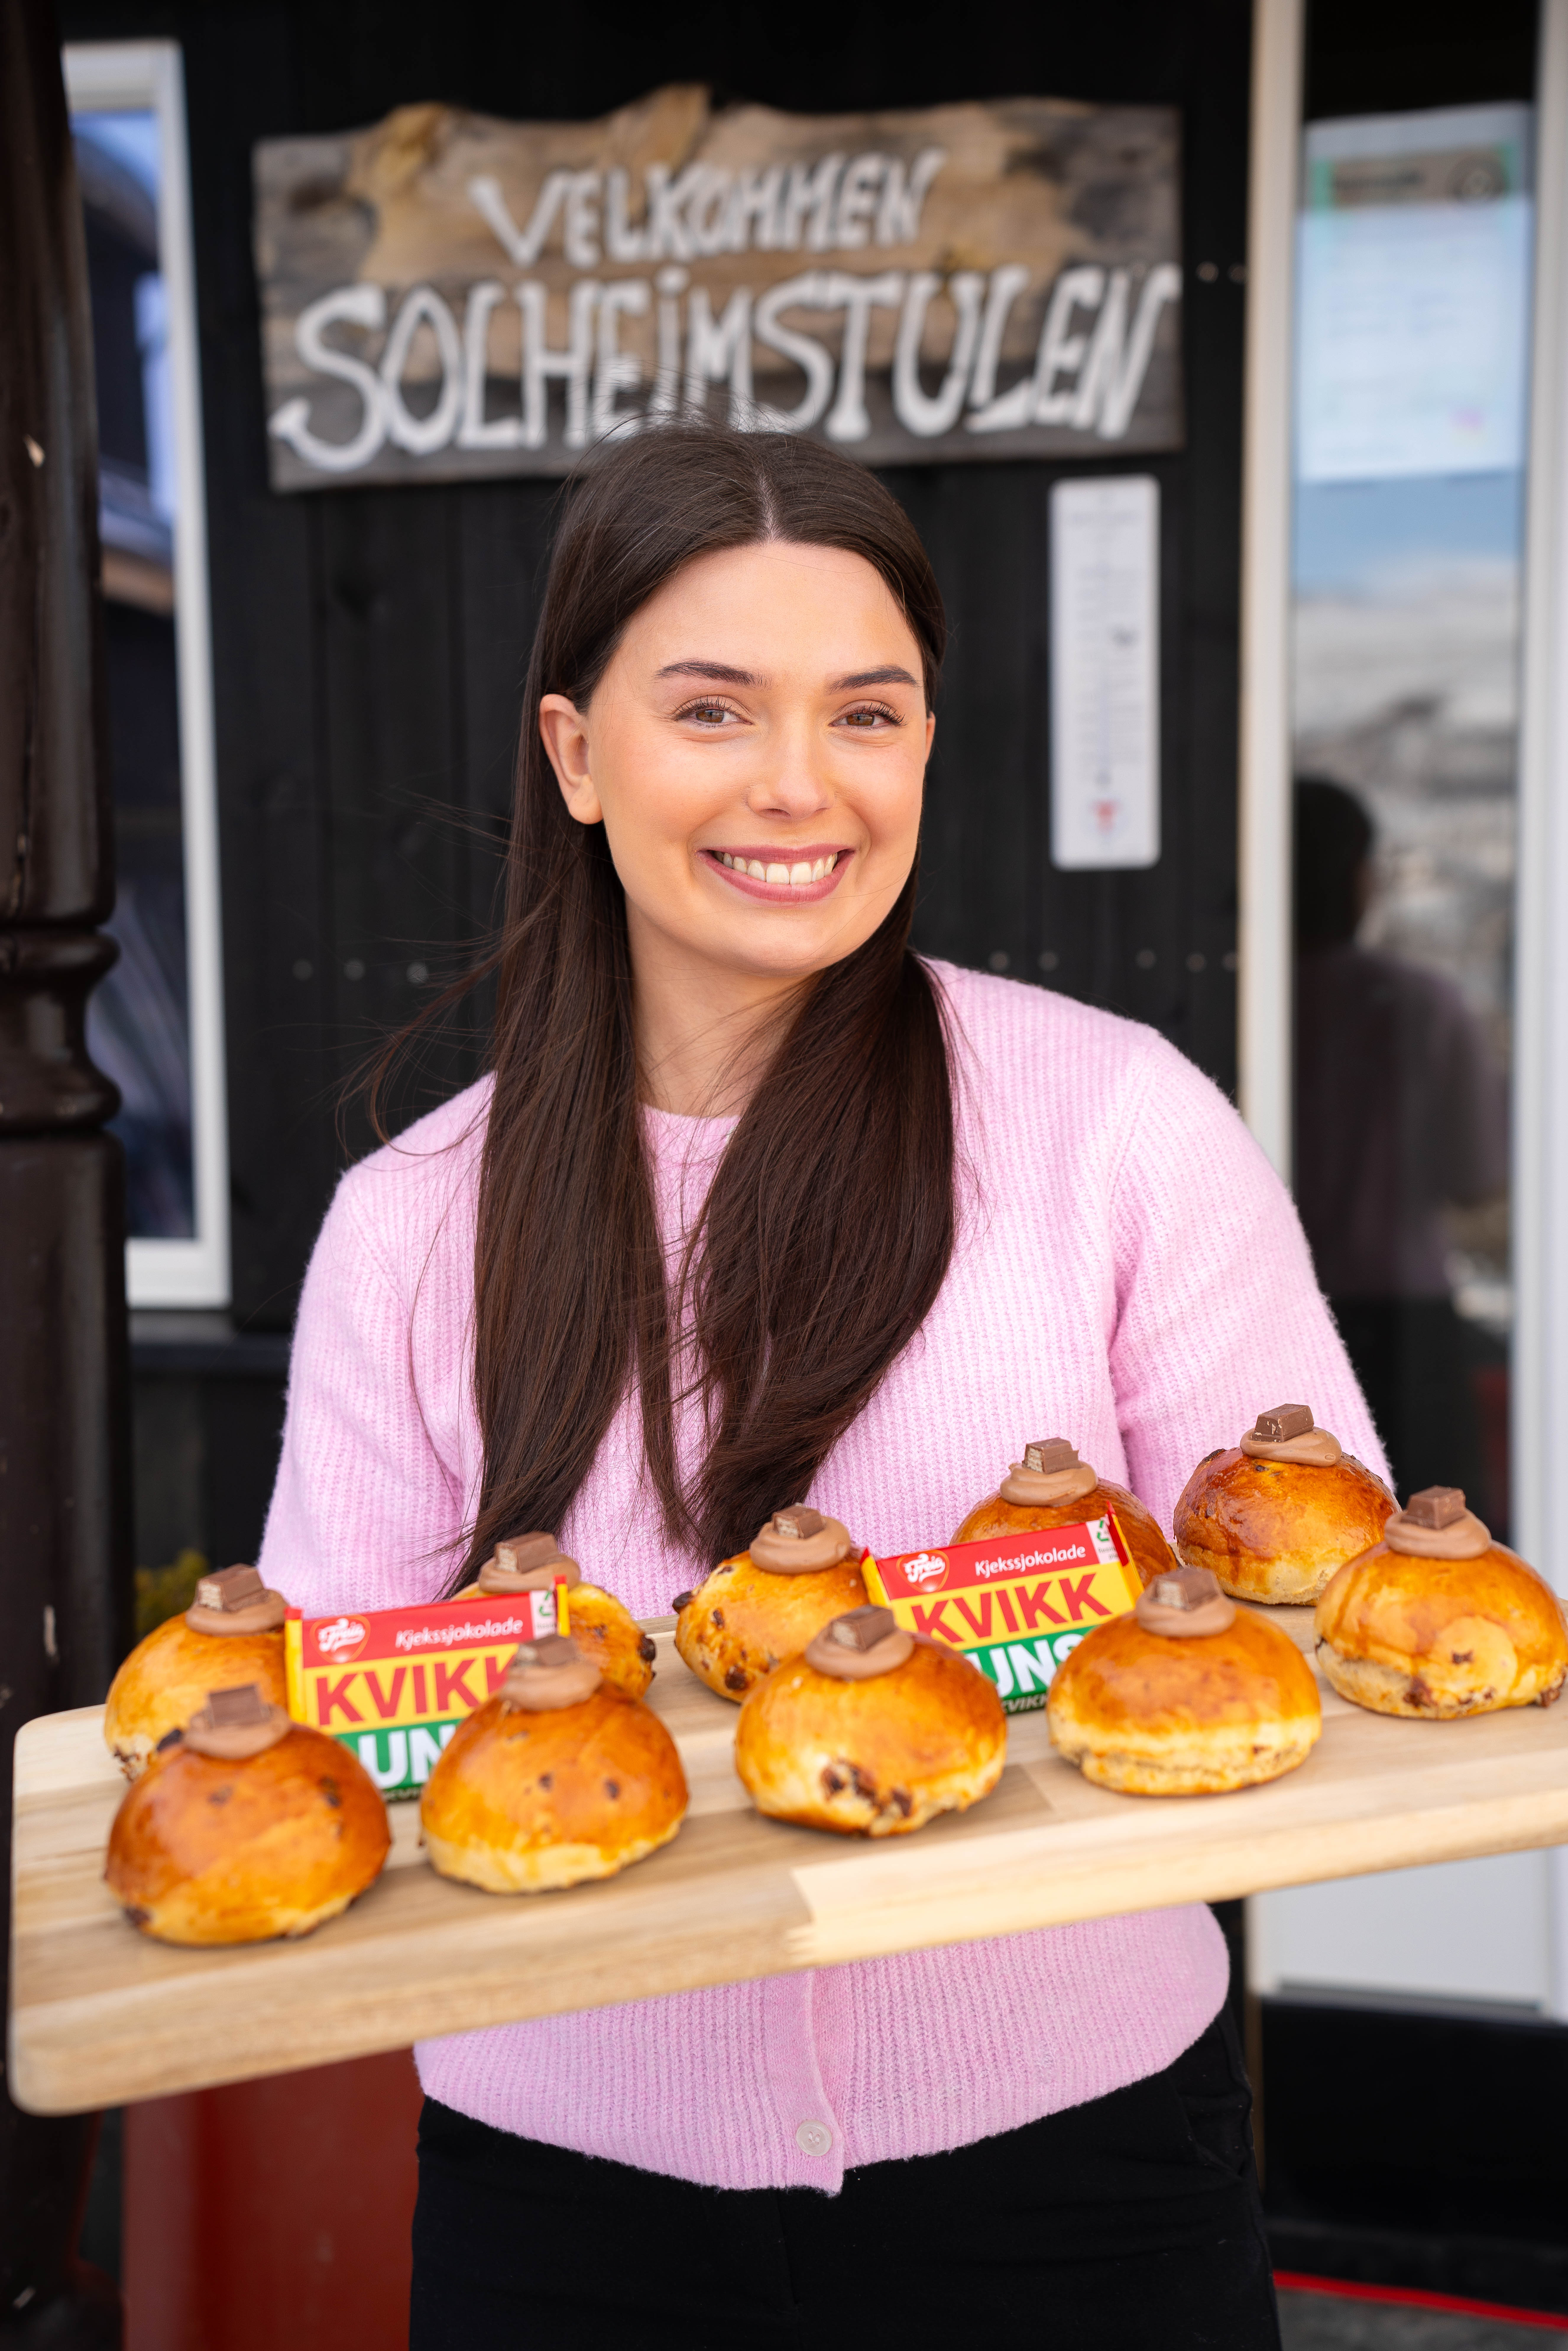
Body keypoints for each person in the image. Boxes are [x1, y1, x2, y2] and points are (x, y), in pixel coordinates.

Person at [259, 424, 1383, 2348]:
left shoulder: (1110, 1123)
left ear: (925, 745)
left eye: (867, 713)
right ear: (576, 753)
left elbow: (1322, 1619)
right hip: (565, 2194)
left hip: (1078, 2160)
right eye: (713, 709)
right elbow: (330, 1725)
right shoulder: (410, 1222)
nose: (801, 784)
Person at [1293, 776, 1507, 1511]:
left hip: (1282, 1309)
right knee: (1440, 1545)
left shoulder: (1248, 1002)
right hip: (1408, 1314)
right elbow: (1479, 1173)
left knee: (1299, 1546)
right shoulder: (1422, 1003)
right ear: (1359, 878)